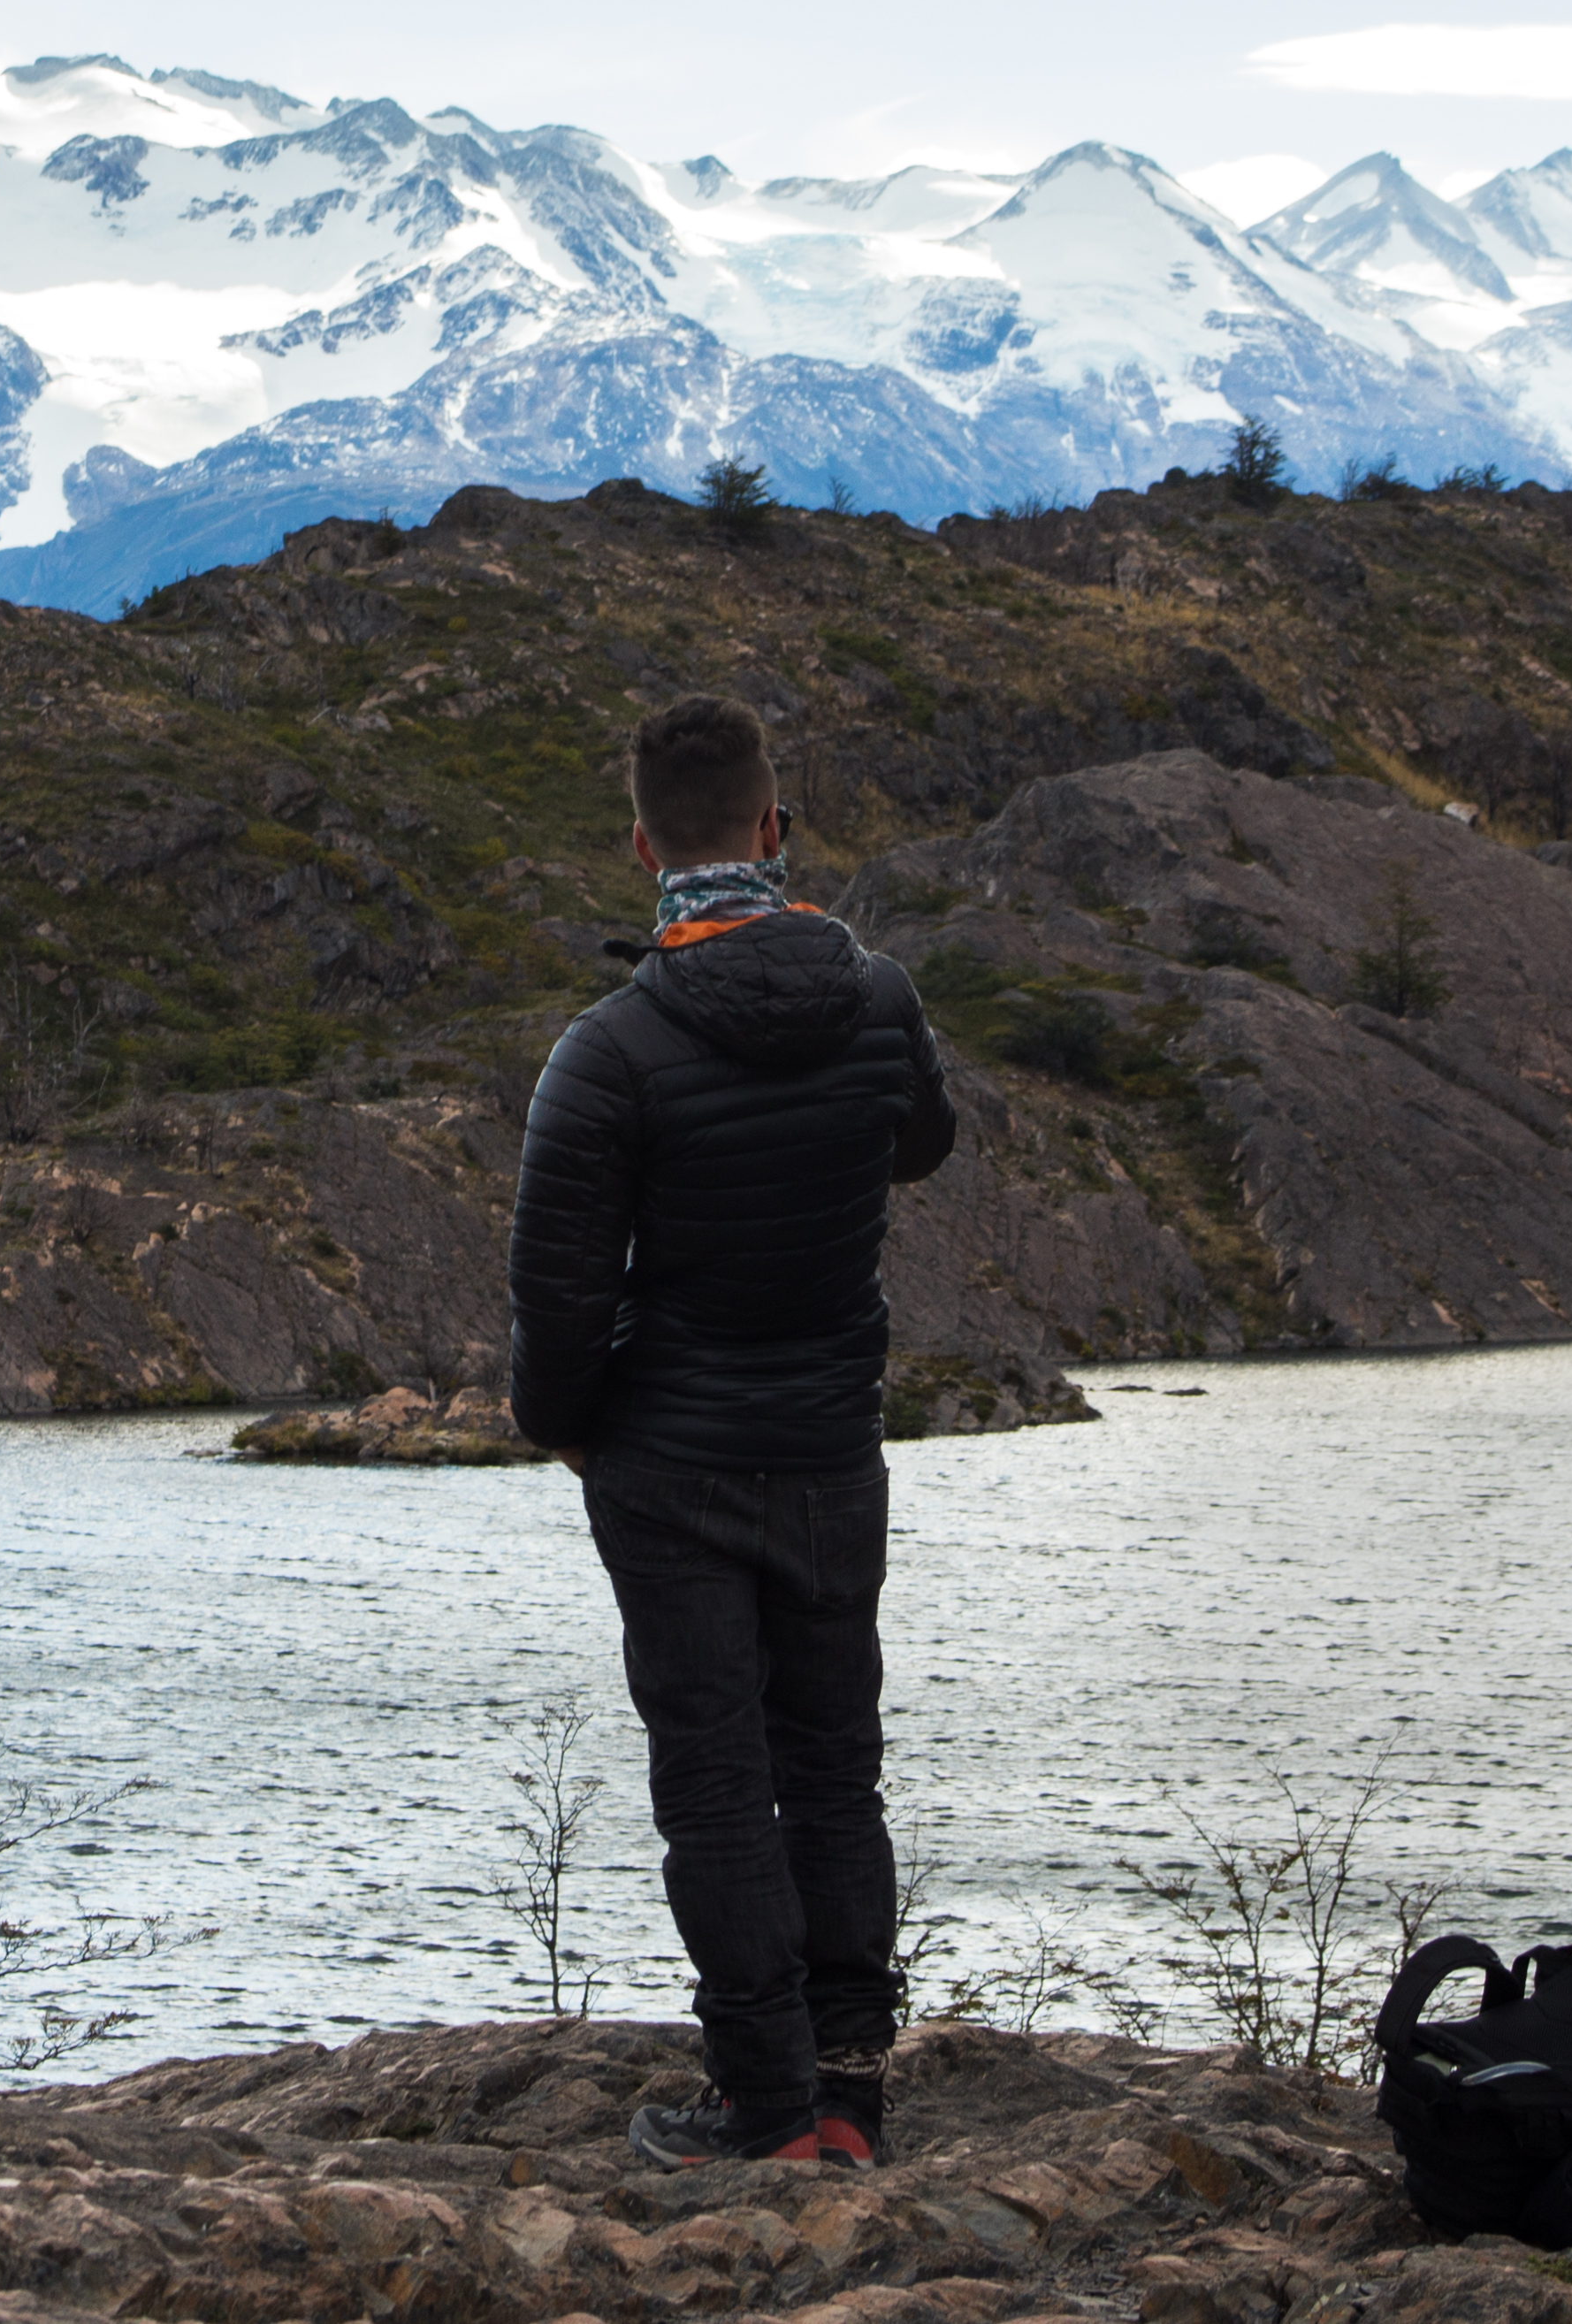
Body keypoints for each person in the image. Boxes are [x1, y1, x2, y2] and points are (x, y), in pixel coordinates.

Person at [508, 693, 954, 2168]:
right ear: (776, 825)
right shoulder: (878, 997)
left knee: (715, 1785)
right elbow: (922, 1138)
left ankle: (763, 2106)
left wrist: (575, 1436)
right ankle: (849, 2098)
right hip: (834, 1447)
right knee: (835, 1770)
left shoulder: (607, 1052)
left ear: (641, 844)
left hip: (670, 1463)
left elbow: (556, 1314)